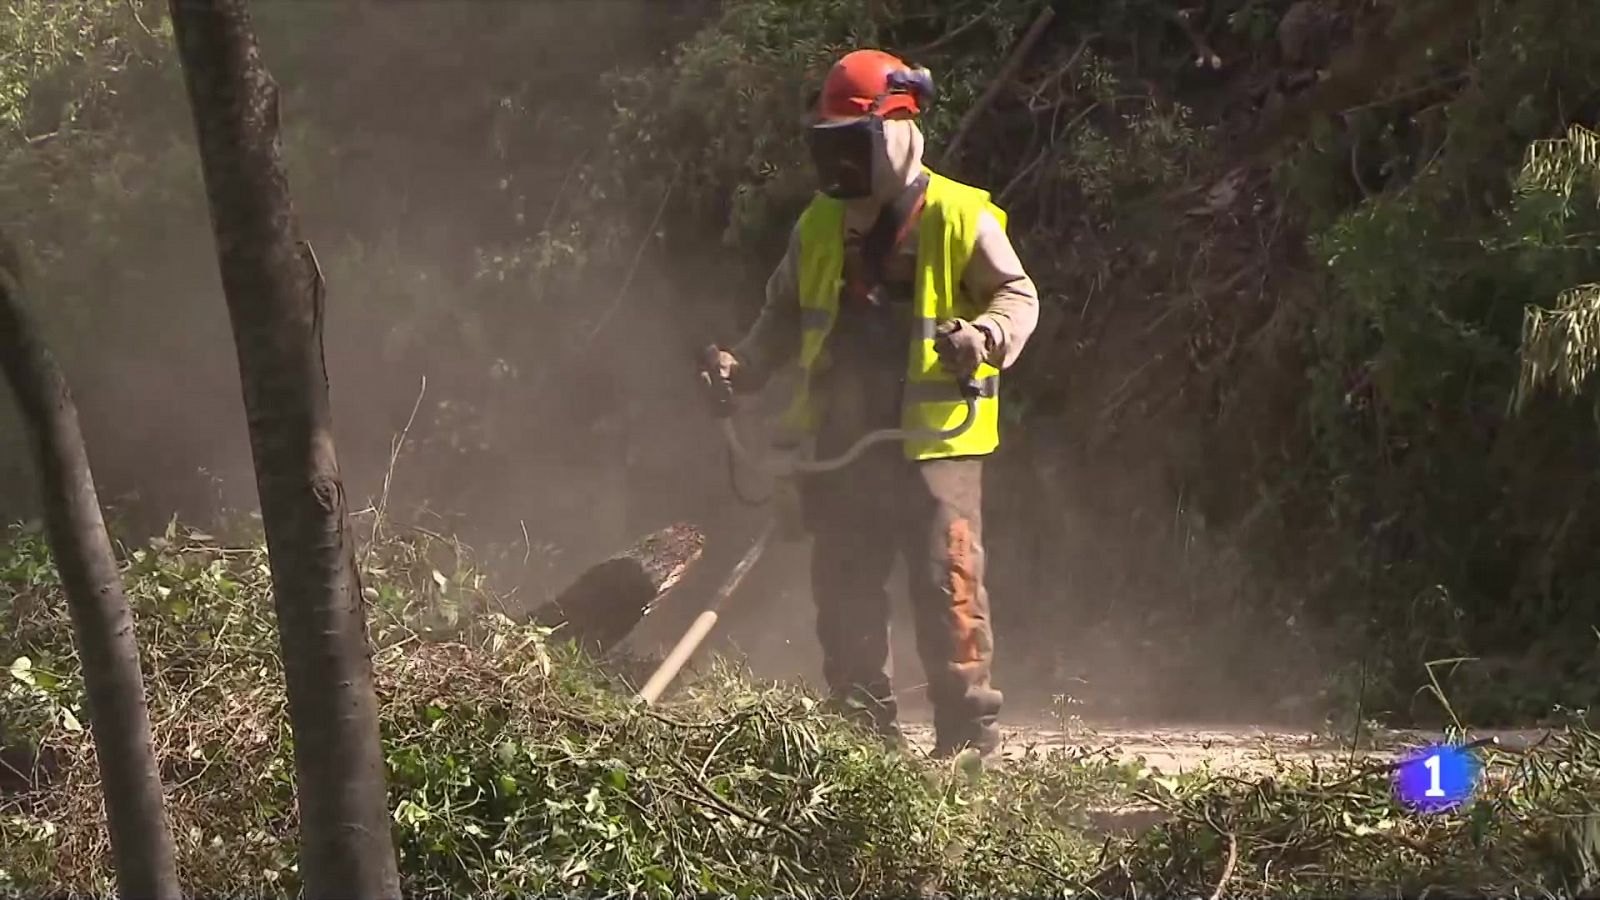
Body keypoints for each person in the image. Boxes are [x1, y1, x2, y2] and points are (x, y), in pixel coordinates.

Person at [704, 49, 1040, 758]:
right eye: (827, 144)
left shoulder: (958, 214)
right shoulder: (818, 228)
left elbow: (1018, 295)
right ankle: (863, 742)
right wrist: (742, 367)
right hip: (841, 446)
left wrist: (984, 336)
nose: (838, 163)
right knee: (846, 595)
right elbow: (782, 319)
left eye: (850, 143)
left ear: (898, 129)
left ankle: (968, 740)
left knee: (947, 591)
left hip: (933, 447)